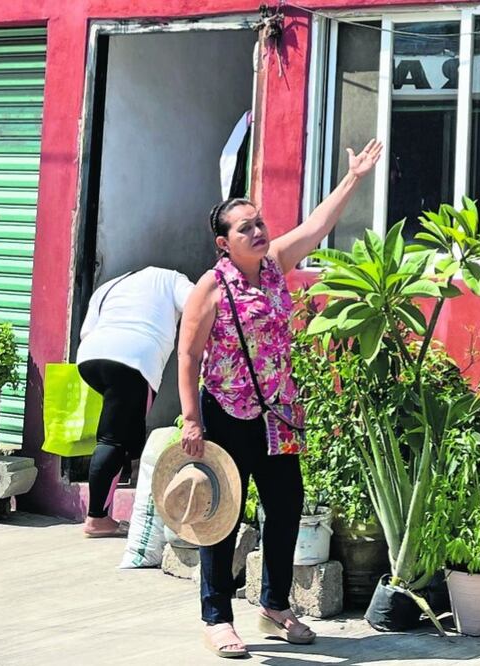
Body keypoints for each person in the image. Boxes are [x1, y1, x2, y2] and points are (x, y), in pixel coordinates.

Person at [178, 138, 383, 658]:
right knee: (221, 515)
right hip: (226, 414)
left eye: (259, 222)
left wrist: (354, 177)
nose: (258, 230)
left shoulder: (274, 266)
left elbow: (316, 225)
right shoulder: (211, 286)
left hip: (280, 415)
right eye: (244, 226)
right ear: (224, 242)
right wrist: (191, 420)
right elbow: (187, 355)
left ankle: (274, 605)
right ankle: (217, 617)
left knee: (286, 507)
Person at [77, 266, 194, 537]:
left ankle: (112, 505)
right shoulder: (174, 279)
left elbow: (86, 331)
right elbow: (197, 306)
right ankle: (97, 518)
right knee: (113, 440)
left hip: (91, 357)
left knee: (128, 435)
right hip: (134, 360)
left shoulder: (111, 285)